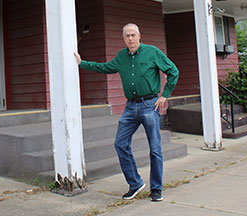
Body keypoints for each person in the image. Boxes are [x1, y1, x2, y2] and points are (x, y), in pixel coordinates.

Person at [74, 23, 178, 202]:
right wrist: (82, 63)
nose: (130, 38)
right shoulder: (121, 56)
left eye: (133, 35)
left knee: (154, 149)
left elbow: (173, 71)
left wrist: (164, 96)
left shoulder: (152, 52)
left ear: (139, 35)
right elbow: (104, 68)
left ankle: (156, 189)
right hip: (130, 107)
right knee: (120, 143)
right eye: (127, 36)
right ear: (123, 38)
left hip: (150, 105)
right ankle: (135, 183)